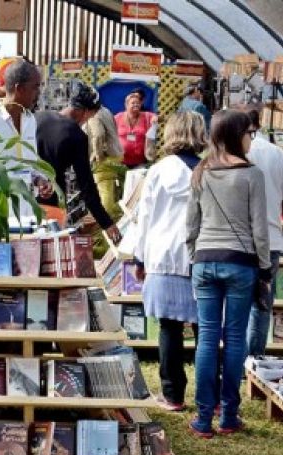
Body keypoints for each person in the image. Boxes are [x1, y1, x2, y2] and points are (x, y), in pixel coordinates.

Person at [186, 110, 271, 438]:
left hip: (205, 260)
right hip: (241, 262)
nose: (252, 137)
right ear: (236, 135)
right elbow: (259, 229)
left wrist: (193, 256)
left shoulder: (201, 171)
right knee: (235, 337)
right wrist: (264, 266)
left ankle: (203, 418)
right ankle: (229, 415)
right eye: (249, 132)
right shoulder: (252, 175)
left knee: (207, 337)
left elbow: (190, 223)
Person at [134, 111, 207, 411]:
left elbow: (145, 217)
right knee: (207, 329)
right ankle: (208, 395)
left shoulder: (159, 170)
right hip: (200, 255)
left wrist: (140, 257)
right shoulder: (209, 169)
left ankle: (172, 394)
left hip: (163, 255)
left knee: (169, 328)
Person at [35, 83, 121, 243]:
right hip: (53, 202)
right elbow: (86, 185)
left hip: (26, 198)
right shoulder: (77, 136)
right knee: (51, 253)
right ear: (85, 111)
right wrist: (106, 223)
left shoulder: (38, 117)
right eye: (91, 115)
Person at [245, 108, 283, 356]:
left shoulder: (228, 153)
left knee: (234, 304)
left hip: (237, 241)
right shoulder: (278, 154)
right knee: (262, 304)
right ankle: (255, 359)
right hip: (271, 239)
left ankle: (235, 359)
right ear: (260, 124)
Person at [0, 59, 41, 222]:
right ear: (19, 89)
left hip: (26, 216)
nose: (39, 92)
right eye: (35, 87)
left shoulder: (30, 120)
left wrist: (39, 178)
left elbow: (31, 162)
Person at [84, 105, 124, 220]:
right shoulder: (105, 110)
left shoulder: (92, 114)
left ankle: (103, 227)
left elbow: (98, 134)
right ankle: (118, 216)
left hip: (104, 158)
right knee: (112, 193)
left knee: (104, 195)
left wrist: (97, 155)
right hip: (115, 154)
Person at [115, 89, 158, 168]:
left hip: (141, 162)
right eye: (133, 103)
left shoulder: (146, 116)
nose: (136, 105)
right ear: (126, 105)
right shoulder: (118, 117)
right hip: (120, 162)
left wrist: (156, 118)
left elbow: (159, 117)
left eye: (138, 103)